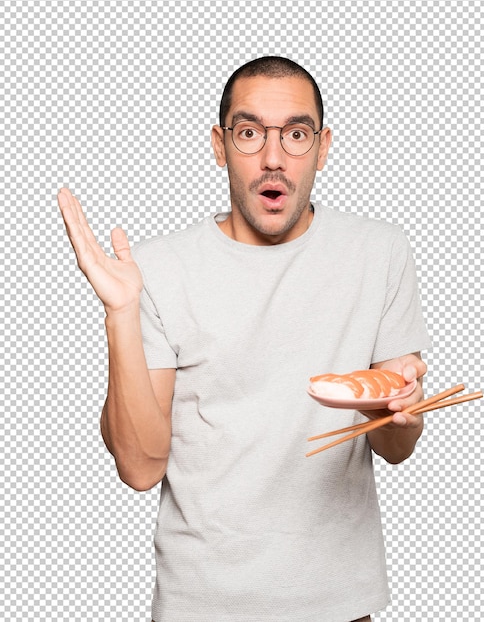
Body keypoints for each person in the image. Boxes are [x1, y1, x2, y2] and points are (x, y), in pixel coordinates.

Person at [58, 56, 431, 622]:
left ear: (324, 147)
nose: (274, 159)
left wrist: (402, 413)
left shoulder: (379, 252)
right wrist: (121, 313)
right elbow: (139, 468)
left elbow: (396, 446)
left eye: (297, 135)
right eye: (251, 133)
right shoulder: (158, 269)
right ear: (219, 144)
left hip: (339, 606)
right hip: (201, 607)